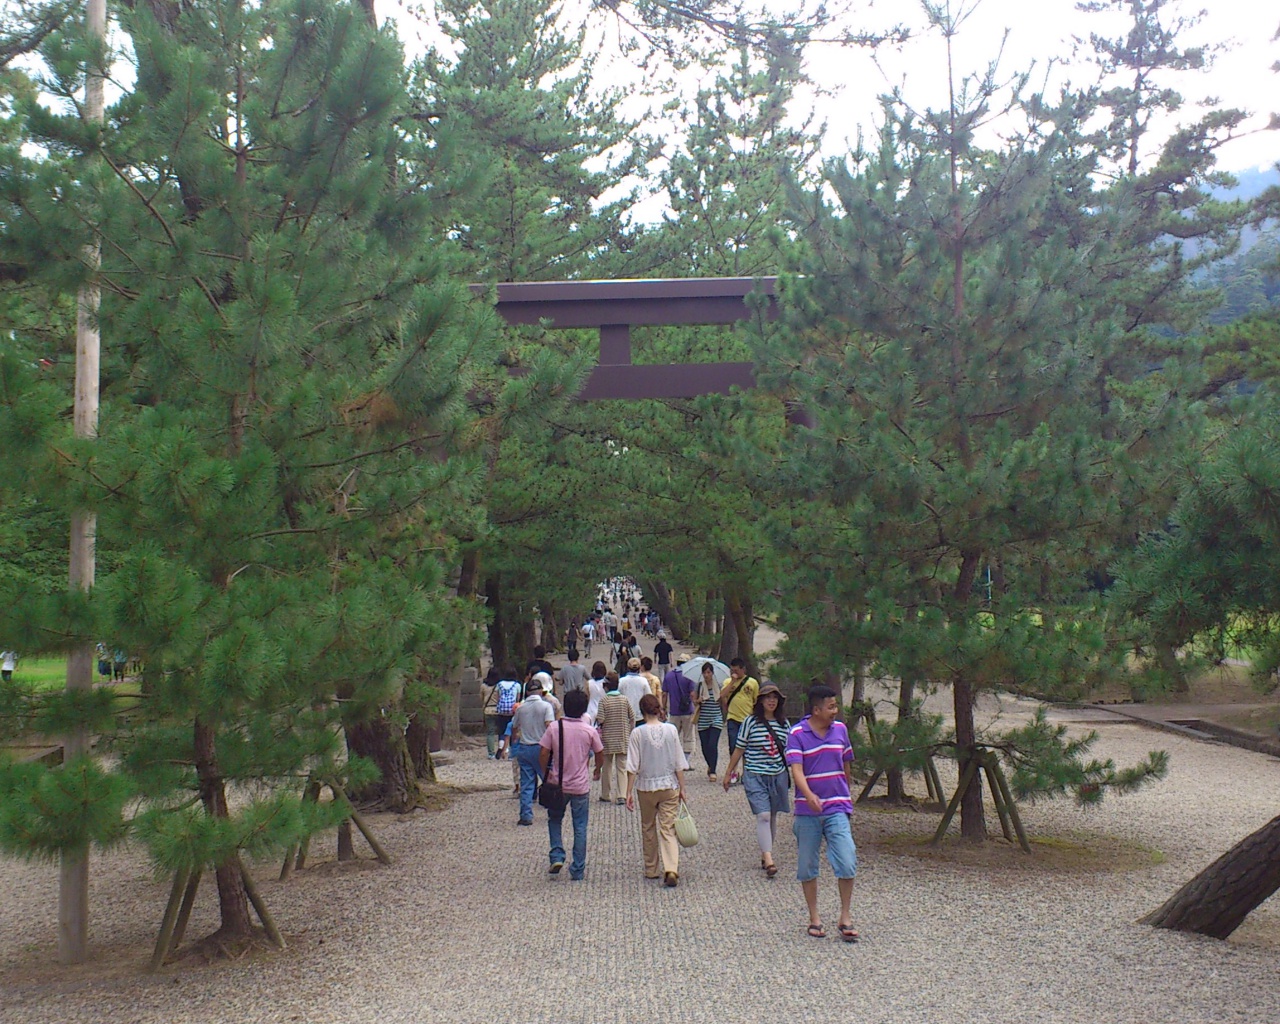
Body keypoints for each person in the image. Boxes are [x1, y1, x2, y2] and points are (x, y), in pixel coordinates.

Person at [786, 684, 858, 942]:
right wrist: (808, 795)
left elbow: (846, 763)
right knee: (807, 864)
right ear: (816, 710)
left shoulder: (840, 730)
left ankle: (845, 916)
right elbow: (796, 770)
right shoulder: (797, 733)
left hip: (837, 806)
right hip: (807, 811)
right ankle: (814, 917)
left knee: (847, 860)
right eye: (831, 707)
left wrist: (846, 793)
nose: (835, 711)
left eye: (835, 706)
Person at [723, 684, 791, 877]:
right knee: (763, 815)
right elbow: (740, 748)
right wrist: (729, 772)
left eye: (775, 698)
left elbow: (791, 750)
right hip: (755, 774)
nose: (771, 701)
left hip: (777, 774)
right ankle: (769, 859)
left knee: (772, 815)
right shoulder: (750, 722)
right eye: (767, 697)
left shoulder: (784, 724)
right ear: (760, 700)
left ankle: (765, 851)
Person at [539, 690, 604, 880]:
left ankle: (557, 854)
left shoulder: (554, 728)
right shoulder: (589, 730)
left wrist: (546, 773)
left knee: (555, 819)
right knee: (580, 825)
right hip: (580, 785)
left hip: (557, 783)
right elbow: (599, 752)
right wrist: (597, 769)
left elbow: (543, 753)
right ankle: (577, 868)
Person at [625, 694, 689, 887]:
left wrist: (628, 791)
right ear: (658, 709)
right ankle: (671, 868)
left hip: (646, 787)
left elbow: (632, 766)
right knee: (668, 827)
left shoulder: (637, 733)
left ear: (642, 711)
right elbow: (678, 761)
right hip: (669, 784)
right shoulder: (671, 730)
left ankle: (652, 868)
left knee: (648, 826)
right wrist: (682, 787)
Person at [511, 675, 556, 826]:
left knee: (527, 782)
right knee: (548, 779)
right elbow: (550, 726)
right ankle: (553, 810)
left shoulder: (521, 708)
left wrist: (514, 740)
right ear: (541, 691)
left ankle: (526, 815)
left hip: (524, 747)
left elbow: (514, 727)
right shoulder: (546, 707)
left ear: (527, 692)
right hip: (542, 747)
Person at [595, 672, 633, 804]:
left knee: (607, 767)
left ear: (606, 686)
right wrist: (629, 730)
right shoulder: (624, 699)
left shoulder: (604, 700)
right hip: (622, 737)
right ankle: (621, 795)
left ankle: (606, 794)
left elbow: (601, 719)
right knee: (622, 767)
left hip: (608, 738)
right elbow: (632, 716)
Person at [720, 657, 759, 782]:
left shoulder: (752, 683)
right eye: (732, 670)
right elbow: (722, 695)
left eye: (736, 670)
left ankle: (746, 772)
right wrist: (732, 682)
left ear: (743, 669)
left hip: (747, 719)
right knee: (733, 746)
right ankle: (734, 772)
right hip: (733, 718)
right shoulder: (727, 682)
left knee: (747, 747)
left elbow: (755, 700)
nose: (734, 673)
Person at [661, 655, 696, 759]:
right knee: (688, 736)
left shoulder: (669, 676)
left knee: (672, 737)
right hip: (687, 710)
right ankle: (686, 760)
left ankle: (672, 758)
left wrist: (664, 708)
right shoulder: (689, 676)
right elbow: (692, 694)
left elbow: (664, 694)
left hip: (674, 711)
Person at [693, 662, 724, 781]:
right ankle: (710, 764)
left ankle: (713, 771)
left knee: (712, 744)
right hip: (703, 719)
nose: (707, 675)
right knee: (704, 747)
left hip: (716, 718)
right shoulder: (699, 686)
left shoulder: (718, 686)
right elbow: (694, 701)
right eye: (705, 672)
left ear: (712, 673)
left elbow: (722, 700)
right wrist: (698, 700)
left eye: (709, 672)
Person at [618, 658, 651, 726]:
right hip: (640, 715)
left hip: (625, 715)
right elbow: (648, 696)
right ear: (639, 668)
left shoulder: (621, 681)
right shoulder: (643, 681)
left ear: (628, 667)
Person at [585, 660, 608, 724]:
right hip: (604, 709)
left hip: (591, 709)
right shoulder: (606, 683)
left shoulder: (589, 683)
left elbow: (587, 697)